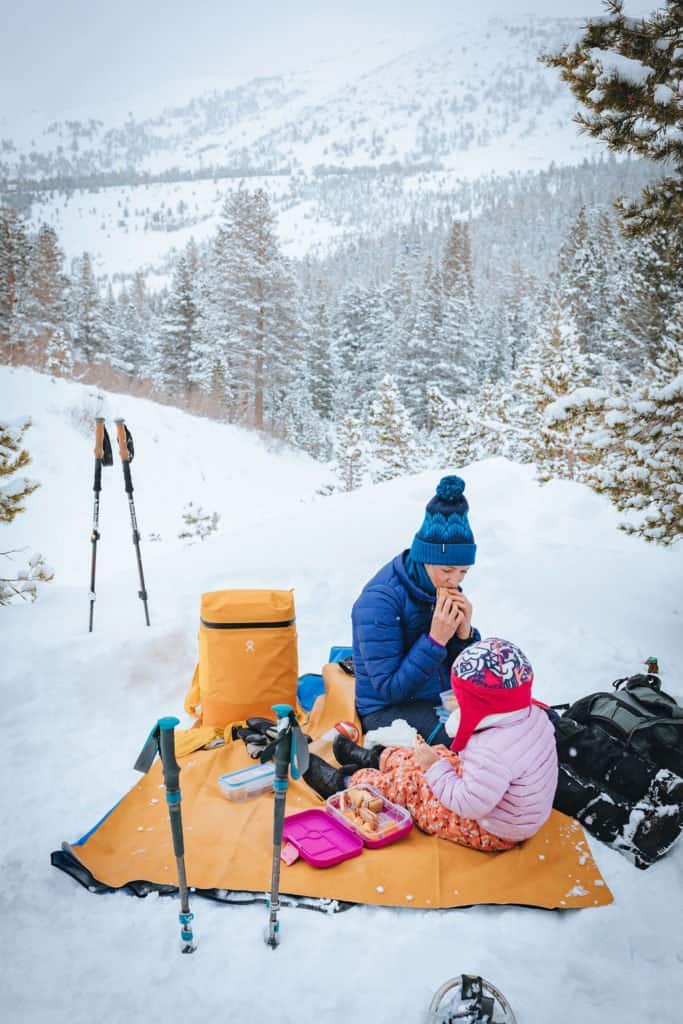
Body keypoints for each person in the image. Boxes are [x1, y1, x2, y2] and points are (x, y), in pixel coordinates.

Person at [304, 637, 559, 851]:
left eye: (462, 698)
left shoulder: (491, 750)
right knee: (439, 754)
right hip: (505, 804)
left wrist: (435, 770)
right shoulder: (528, 714)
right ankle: (377, 759)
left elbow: (468, 804)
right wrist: (437, 764)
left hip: (490, 826)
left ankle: (348, 783)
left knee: (411, 787)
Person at [351, 475, 480, 746]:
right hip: (386, 711)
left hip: (438, 698)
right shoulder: (379, 601)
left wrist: (465, 635)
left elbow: (462, 668)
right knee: (473, 742)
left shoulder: (442, 587)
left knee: (508, 726)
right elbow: (389, 689)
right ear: (425, 559)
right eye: (447, 570)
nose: (455, 581)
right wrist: (435, 641)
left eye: (463, 572)